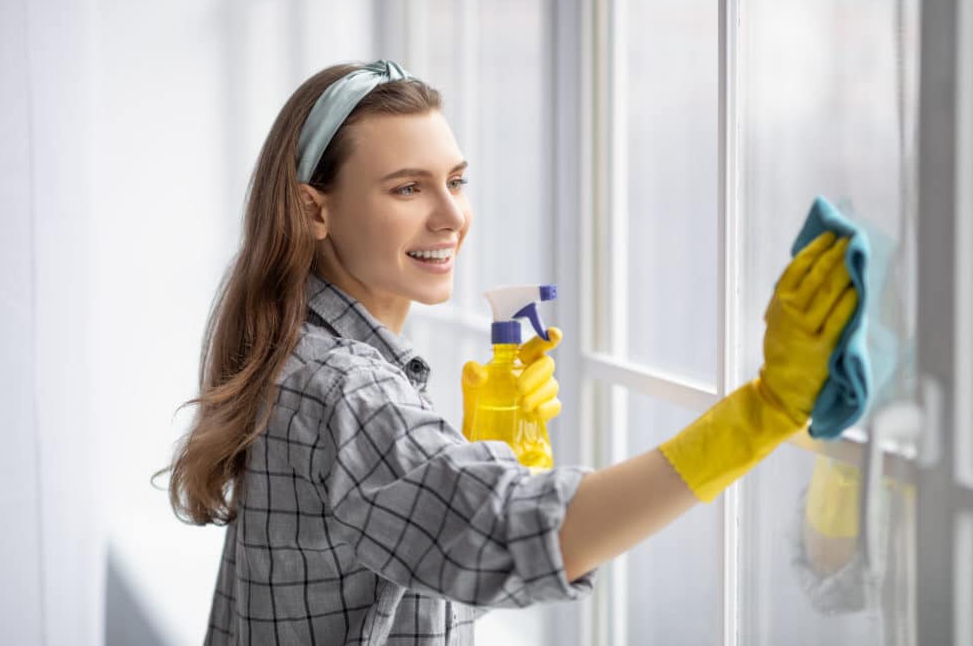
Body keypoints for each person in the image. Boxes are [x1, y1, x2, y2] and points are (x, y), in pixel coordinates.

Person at [159, 59, 858, 645]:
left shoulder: (307, 355)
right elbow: (514, 533)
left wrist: (486, 451)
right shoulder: (344, 388)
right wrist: (761, 411)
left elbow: (431, 568)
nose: (451, 215)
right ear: (316, 210)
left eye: (456, 180)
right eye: (408, 186)